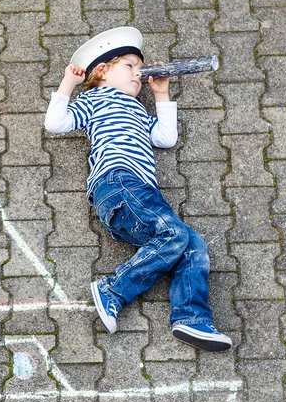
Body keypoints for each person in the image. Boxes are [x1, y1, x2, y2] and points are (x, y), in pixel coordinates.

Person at [44, 27, 232, 352]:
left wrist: (160, 95)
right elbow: (56, 124)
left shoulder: (138, 110)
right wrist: (68, 84)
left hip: (141, 198)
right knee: (175, 235)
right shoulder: (94, 100)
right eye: (130, 66)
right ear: (102, 71)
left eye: (139, 67)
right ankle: (113, 291)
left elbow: (165, 138)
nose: (138, 73)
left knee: (191, 243)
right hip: (118, 183)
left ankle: (191, 317)